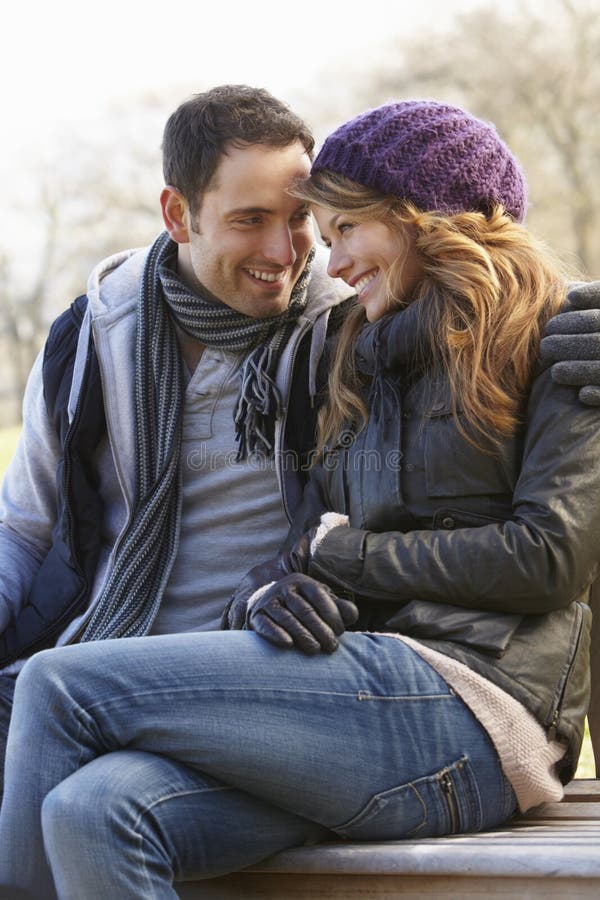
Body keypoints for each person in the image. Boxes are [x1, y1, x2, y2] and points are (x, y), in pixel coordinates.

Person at [1, 99, 600, 900]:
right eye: (261, 220)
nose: (317, 257)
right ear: (179, 215)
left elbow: (549, 558)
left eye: (334, 226)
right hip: (334, 699)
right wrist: (272, 588)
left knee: (57, 683)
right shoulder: (353, 355)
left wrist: (337, 557)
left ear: (421, 217)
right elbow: (300, 539)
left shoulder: (547, 338)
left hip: (473, 700)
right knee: (93, 810)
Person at [0, 84, 357, 794]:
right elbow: (24, 529)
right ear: (178, 214)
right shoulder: (95, 333)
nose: (282, 251)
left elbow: (481, 315)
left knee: (72, 777)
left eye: (298, 219)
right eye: (249, 220)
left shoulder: (348, 331)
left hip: (242, 669)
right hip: (88, 650)